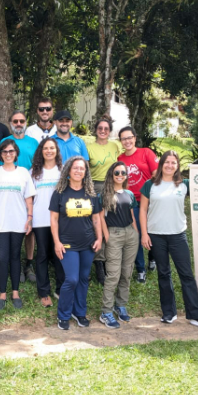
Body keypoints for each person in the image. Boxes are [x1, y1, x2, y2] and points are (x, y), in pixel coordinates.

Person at [140, 150, 198, 330]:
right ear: (161, 164)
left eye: (173, 163)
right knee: (163, 274)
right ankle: (169, 313)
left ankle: (196, 315)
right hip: (156, 235)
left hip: (177, 235)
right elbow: (142, 210)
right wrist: (144, 233)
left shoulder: (184, 184)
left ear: (177, 166)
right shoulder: (150, 185)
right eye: (167, 162)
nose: (170, 165)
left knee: (186, 275)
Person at [50, 156, 103, 330]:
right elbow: (54, 220)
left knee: (83, 279)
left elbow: (96, 219)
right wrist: (57, 242)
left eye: (82, 168)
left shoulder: (91, 193)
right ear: (68, 171)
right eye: (75, 168)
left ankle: (79, 313)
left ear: (86, 172)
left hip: (87, 244)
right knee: (71, 279)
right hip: (67, 244)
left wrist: (99, 238)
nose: (79, 171)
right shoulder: (60, 193)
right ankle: (63, 314)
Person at [0, 139, 36, 309]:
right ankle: (2, 293)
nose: (8, 154)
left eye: (11, 151)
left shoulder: (23, 172)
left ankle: (15, 291)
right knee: (2, 258)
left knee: (15, 256)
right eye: (4, 151)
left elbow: (29, 199)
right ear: (0, 154)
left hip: (19, 221)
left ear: (16, 153)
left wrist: (29, 218)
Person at [0, 111, 39, 282]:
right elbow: (0, 168)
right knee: (10, 225)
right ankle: (10, 263)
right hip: (9, 191)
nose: (19, 123)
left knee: (29, 228)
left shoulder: (33, 142)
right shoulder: (4, 142)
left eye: (22, 120)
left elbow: (38, 164)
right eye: (15, 121)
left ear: (26, 122)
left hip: (28, 188)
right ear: (10, 122)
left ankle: (28, 263)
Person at [98, 161, 139, 328]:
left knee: (126, 272)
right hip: (113, 234)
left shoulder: (129, 193)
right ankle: (106, 311)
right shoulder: (105, 194)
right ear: (111, 175)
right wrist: (106, 236)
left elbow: (132, 215)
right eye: (117, 173)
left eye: (123, 173)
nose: (120, 175)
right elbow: (100, 217)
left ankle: (120, 305)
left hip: (130, 234)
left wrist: (136, 232)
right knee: (113, 274)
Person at [117, 126, 159, 284]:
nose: (127, 141)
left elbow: (156, 174)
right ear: (120, 141)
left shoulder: (146, 152)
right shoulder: (120, 159)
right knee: (137, 234)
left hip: (149, 198)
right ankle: (140, 269)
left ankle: (153, 257)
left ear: (135, 138)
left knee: (152, 231)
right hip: (132, 201)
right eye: (123, 138)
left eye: (129, 137)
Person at [30, 138, 64, 307]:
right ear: (41, 151)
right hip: (40, 219)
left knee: (59, 254)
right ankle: (44, 291)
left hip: (60, 220)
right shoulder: (34, 172)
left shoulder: (63, 171)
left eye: (52, 148)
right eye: (45, 148)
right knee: (42, 254)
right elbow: (29, 198)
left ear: (56, 151)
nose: (49, 151)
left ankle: (60, 289)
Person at [88, 116, 121, 285]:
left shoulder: (115, 146)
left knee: (111, 223)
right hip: (95, 187)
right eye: (100, 128)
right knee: (97, 224)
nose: (102, 131)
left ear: (109, 131)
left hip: (112, 186)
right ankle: (98, 262)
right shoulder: (89, 147)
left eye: (106, 129)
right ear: (96, 130)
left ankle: (111, 260)